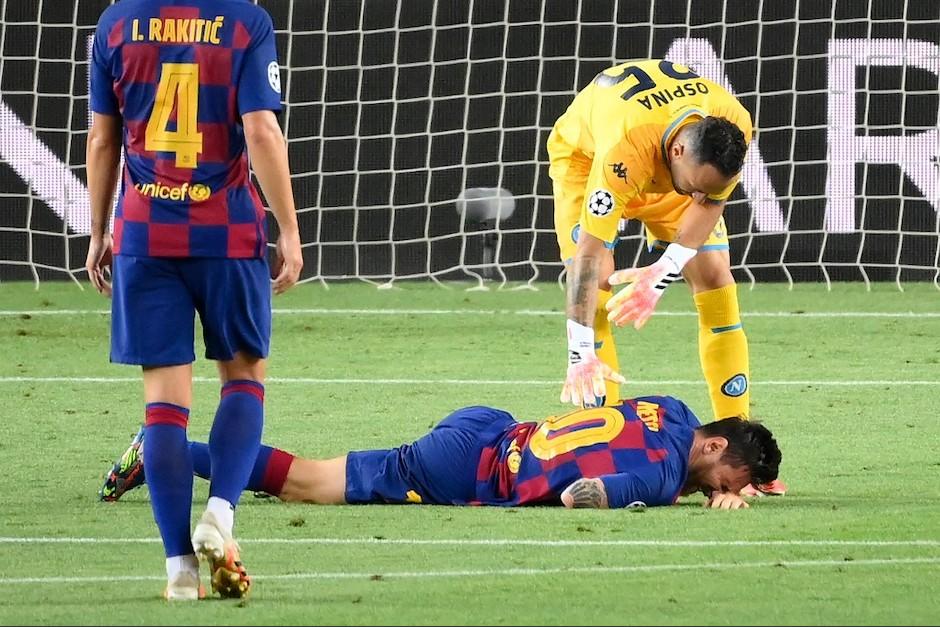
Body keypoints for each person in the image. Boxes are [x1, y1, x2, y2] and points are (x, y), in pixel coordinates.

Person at [86, 0, 302, 601]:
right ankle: (222, 514)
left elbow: (103, 140)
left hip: (145, 236)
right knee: (243, 378)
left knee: (164, 404)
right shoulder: (244, 21)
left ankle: (179, 569)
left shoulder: (115, 23)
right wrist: (287, 227)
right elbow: (261, 130)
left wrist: (99, 229)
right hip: (227, 234)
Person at [548, 59, 785, 496]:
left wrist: (662, 271)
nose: (701, 194)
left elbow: (707, 199)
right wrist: (578, 350)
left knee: (715, 279)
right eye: (697, 186)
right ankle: (607, 449)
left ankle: (737, 451)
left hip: (668, 179)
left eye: (707, 189)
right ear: (677, 151)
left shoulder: (732, 128)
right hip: (587, 165)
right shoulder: (625, 147)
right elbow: (587, 257)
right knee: (597, 287)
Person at [101, 395, 781, 512]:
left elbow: (616, 442)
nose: (720, 486)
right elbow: (581, 495)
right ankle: (166, 447)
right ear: (715, 446)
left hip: (492, 425)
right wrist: (666, 500)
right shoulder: (665, 476)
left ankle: (168, 448)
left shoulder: (675, 412)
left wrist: (722, 484)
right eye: (730, 476)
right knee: (310, 483)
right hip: (467, 465)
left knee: (320, 477)